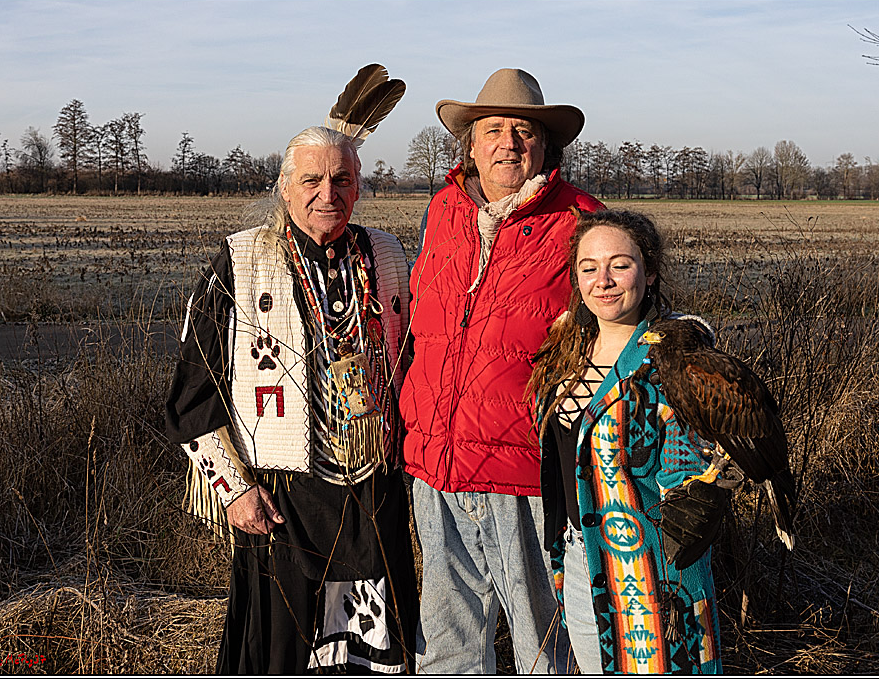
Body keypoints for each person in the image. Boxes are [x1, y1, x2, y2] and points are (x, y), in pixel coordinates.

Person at [165, 65, 418, 673]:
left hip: (371, 489)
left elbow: (413, 359)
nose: (327, 193)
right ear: (284, 186)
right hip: (281, 494)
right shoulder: (241, 261)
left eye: (341, 178)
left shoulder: (385, 255)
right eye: (312, 180)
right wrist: (232, 489)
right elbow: (192, 395)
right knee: (282, 647)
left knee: (373, 645)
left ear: (359, 186)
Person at [399, 68, 603, 673]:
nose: (507, 142)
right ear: (470, 142)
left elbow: (620, 335)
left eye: (523, 130)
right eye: (492, 129)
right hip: (435, 467)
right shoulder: (444, 210)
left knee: (546, 643)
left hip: (527, 472)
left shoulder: (581, 221)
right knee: (449, 639)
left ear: (546, 145)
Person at [527, 209, 725, 674]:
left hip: (652, 570)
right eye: (589, 268)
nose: (604, 280)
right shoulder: (567, 349)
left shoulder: (676, 359)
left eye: (620, 264)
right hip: (579, 559)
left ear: (649, 271)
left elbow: (692, 478)